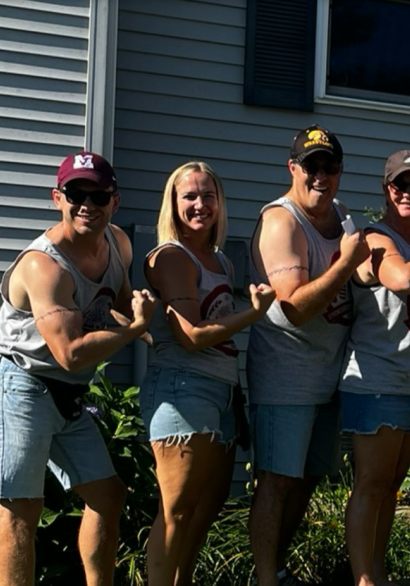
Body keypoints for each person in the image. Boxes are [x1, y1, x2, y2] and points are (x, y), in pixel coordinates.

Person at [0, 151, 154, 586]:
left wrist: (148, 329)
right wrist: (135, 332)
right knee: (20, 509)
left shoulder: (119, 244)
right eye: (76, 194)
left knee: (107, 496)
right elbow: (71, 352)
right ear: (58, 197)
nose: (87, 205)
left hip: (66, 394)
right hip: (19, 385)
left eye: (98, 195)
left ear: (115, 201)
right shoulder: (45, 266)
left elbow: (117, 304)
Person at [140, 162, 276, 585]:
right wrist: (252, 314)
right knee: (177, 507)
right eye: (190, 197)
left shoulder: (217, 260)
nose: (201, 205)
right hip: (184, 387)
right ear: (173, 203)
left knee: (209, 502)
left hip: (220, 388)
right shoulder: (171, 257)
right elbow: (192, 335)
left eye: (208, 195)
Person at [247, 125, 370, 586]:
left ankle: (278, 568)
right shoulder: (281, 221)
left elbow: (363, 273)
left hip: (329, 374)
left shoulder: (339, 213)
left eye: (330, 166)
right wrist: (345, 263)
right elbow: (294, 307)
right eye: (311, 165)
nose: (321, 175)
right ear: (293, 168)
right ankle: (265, 579)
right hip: (286, 377)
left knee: (307, 478)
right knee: (277, 480)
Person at [341, 151, 410, 586]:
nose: (408, 193)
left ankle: (379, 573)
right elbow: (404, 281)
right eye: (399, 185)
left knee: (390, 487)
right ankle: (364, 579)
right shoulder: (376, 239)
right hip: (377, 382)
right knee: (371, 483)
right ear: (386, 190)